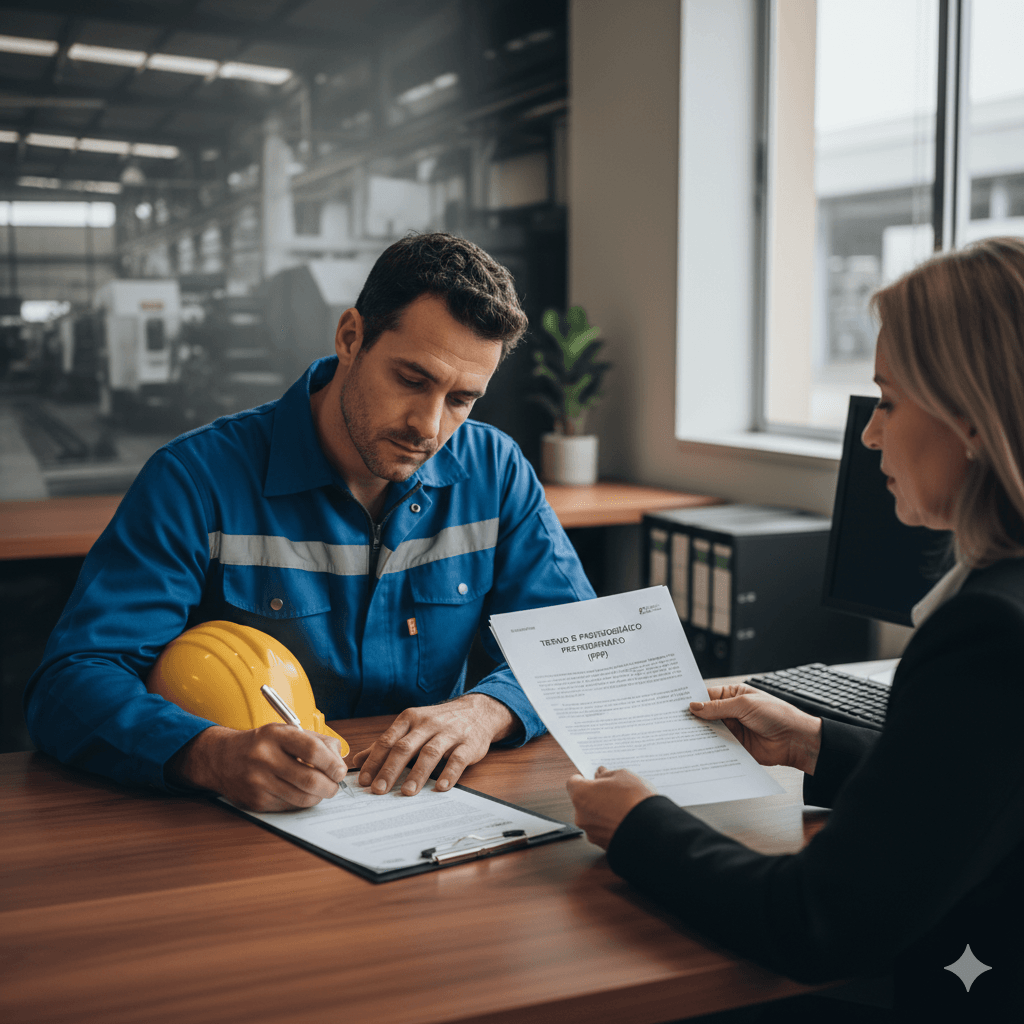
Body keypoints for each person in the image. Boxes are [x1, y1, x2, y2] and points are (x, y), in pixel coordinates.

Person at [567, 236, 1024, 1019]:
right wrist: (812, 743)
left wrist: (639, 825)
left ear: (972, 421)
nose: (871, 435)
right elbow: (975, 796)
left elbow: (817, 922)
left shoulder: (987, 632)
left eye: (887, 400)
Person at [26, 232, 594, 812]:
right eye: (412, 380)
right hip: (238, 826)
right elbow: (71, 682)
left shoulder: (495, 472)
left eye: (461, 399)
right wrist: (209, 754)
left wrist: (489, 709)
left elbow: (575, 646)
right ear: (351, 337)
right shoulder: (196, 479)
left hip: (424, 810)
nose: (429, 426)